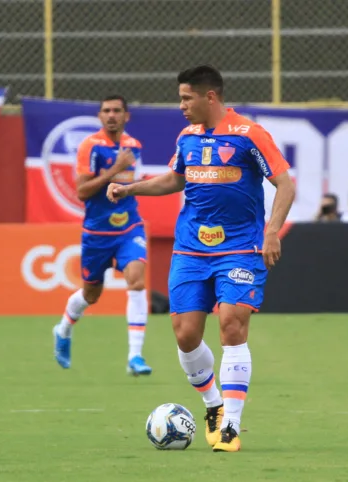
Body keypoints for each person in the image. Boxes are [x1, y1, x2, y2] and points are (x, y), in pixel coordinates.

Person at [107, 66, 295, 452]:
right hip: (191, 249)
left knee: (231, 324)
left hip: (240, 248)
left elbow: (285, 184)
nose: (181, 106)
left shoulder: (249, 134)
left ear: (210, 97)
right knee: (185, 334)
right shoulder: (188, 136)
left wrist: (272, 231)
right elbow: (175, 179)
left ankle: (231, 427)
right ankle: (213, 404)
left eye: (186, 98)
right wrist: (130, 189)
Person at [52, 94, 153, 377]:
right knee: (91, 294)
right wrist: (114, 170)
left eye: (117, 110)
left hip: (129, 227)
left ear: (126, 116)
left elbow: (129, 184)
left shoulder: (134, 146)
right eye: (106, 111)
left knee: (136, 280)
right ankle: (63, 329)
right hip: (97, 232)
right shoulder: (90, 146)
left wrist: (132, 181)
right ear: (99, 116)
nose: (111, 115)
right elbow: (82, 192)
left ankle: (135, 356)